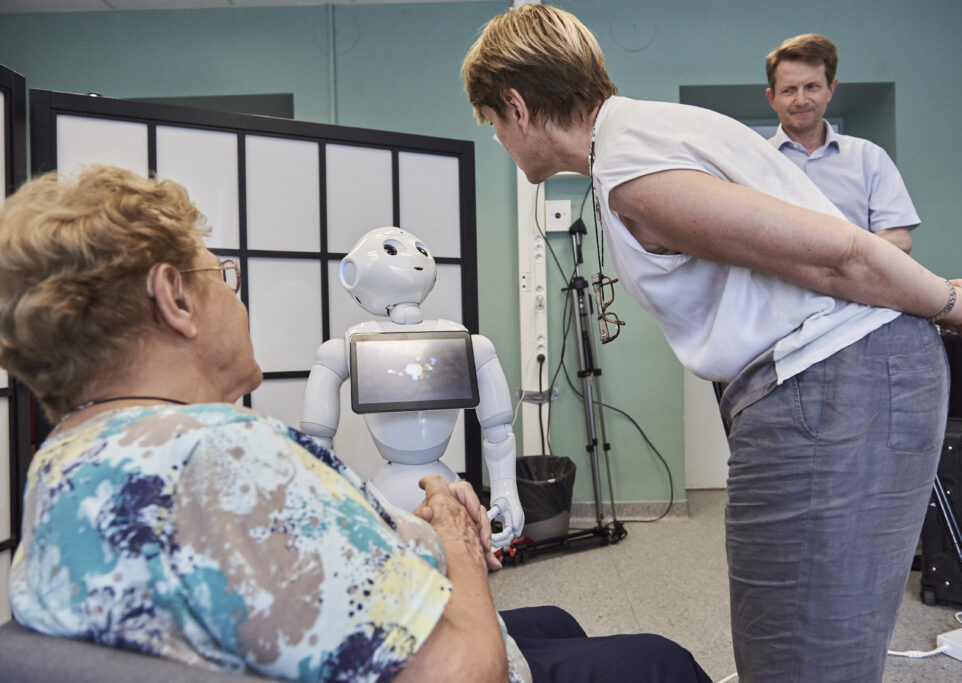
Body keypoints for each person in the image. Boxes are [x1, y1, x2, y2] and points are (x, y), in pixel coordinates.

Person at [461, 6, 962, 683]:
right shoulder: (650, 132)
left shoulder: (631, 167)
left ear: (517, 107)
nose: (496, 136)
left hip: (830, 389)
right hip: (844, 381)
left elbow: (837, 256)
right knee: (817, 644)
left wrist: (959, 308)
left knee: (799, 661)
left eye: (490, 121)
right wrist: (926, 295)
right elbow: (816, 253)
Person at [0, 165, 711, 683]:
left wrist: (422, 529)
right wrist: (459, 539)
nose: (235, 295)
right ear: (174, 299)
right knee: (658, 658)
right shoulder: (220, 454)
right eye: (224, 276)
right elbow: (460, 673)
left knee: (552, 620)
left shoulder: (64, 458)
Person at [765, 33, 917, 253]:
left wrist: (845, 259)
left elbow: (898, 238)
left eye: (812, 87)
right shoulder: (753, 159)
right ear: (772, 98)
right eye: (789, 90)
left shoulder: (870, 157)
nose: (801, 100)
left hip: (853, 287)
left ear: (830, 90)